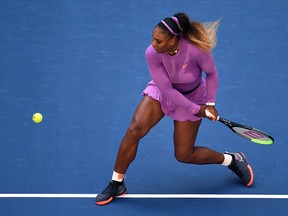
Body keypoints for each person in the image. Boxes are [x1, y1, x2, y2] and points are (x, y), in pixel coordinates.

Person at [95, 12, 254, 206]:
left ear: (173, 40)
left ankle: (232, 160)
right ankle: (116, 183)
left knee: (184, 155)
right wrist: (197, 110)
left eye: (158, 41)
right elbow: (167, 90)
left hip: (194, 94)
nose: (153, 44)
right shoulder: (152, 53)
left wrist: (210, 104)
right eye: (153, 39)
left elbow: (211, 74)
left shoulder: (196, 50)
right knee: (134, 129)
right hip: (164, 92)